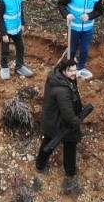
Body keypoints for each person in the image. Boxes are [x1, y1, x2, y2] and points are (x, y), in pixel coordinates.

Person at [36, 57, 91, 192]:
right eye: (71, 70)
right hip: (60, 123)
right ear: (63, 71)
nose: (74, 73)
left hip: (52, 121)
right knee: (70, 145)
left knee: (48, 142)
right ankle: (70, 173)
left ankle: (40, 165)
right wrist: (76, 122)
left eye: (75, 69)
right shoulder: (62, 90)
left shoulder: (58, 78)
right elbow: (67, 113)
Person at [65, 0, 102, 78]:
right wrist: (67, 14)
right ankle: (69, 67)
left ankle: (81, 68)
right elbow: (61, 4)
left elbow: (100, 11)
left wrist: (89, 16)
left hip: (88, 29)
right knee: (72, 49)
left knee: (84, 49)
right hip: (73, 28)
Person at [0, 0, 32, 80]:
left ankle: (19, 66)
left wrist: (22, 23)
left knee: (21, 47)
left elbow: (21, 9)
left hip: (17, 28)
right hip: (6, 30)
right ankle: (4, 68)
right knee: (5, 50)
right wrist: (4, 34)